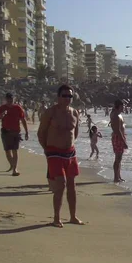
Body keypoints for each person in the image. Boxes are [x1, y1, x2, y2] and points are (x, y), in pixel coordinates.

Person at [37, 85, 83, 227]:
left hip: (70, 152)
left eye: (70, 96)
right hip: (54, 152)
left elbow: (75, 133)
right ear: (58, 97)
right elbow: (41, 133)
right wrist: (46, 150)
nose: (67, 98)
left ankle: (73, 216)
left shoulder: (74, 113)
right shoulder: (50, 112)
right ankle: (56, 218)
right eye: (65, 95)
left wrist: (70, 144)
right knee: (61, 184)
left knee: (72, 185)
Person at [0, 92, 29, 176]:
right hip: (5, 131)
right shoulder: (2, 108)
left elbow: (23, 120)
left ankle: (15, 169)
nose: (10, 100)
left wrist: (26, 132)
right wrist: (1, 116)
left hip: (15, 132)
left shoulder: (18, 108)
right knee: (7, 151)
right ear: (6, 99)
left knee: (15, 150)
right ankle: (12, 164)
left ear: (14, 99)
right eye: (8, 99)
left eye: (11, 99)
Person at [110, 99, 128, 183]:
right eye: (123, 106)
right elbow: (117, 130)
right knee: (118, 158)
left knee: (119, 158)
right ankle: (115, 177)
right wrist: (123, 141)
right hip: (118, 137)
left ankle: (118, 176)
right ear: (119, 106)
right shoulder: (116, 115)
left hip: (120, 137)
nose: (124, 107)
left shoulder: (118, 114)